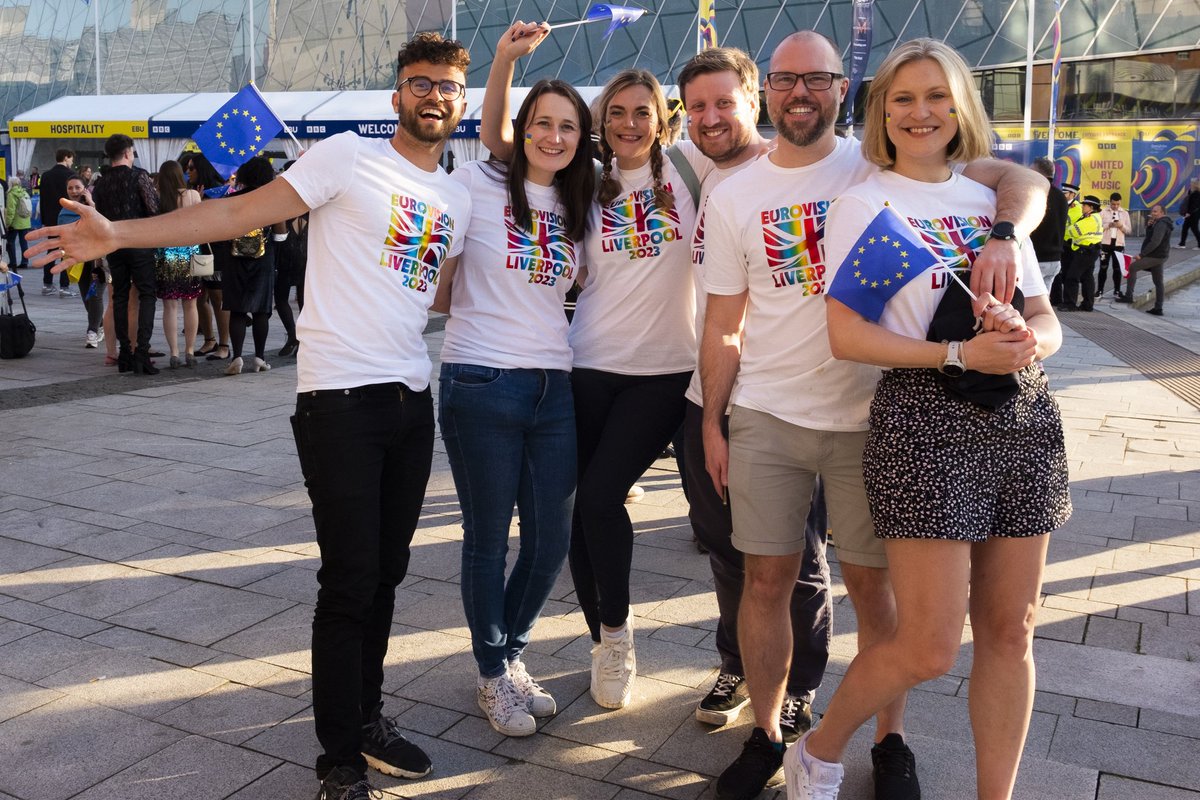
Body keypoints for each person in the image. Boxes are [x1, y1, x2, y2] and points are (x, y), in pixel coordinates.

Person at [27, 32, 473, 800]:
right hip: (338, 400)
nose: (435, 96)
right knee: (350, 579)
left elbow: (439, 293)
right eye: (421, 82)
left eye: (447, 87)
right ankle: (339, 757)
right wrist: (121, 232)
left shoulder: (457, 197)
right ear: (398, 93)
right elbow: (237, 217)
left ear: (461, 102)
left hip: (411, 398)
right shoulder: (345, 156)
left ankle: (369, 720)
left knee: (389, 574)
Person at [700, 31, 1046, 800]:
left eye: (815, 78)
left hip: (896, 420)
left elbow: (1015, 178)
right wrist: (710, 420)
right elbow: (737, 321)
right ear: (770, 91)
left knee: (889, 599)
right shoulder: (768, 196)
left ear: (840, 90)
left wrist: (1006, 231)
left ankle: (889, 743)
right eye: (785, 77)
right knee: (770, 582)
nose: (800, 92)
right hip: (794, 413)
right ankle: (773, 737)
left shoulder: (882, 164)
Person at [793, 38, 1071, 800]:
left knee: (1012, 632)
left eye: (938, 96)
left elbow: (1047, 322)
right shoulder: (870, 205)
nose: (922, 112)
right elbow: (847, 334)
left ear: (961, 107)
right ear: (882, 111)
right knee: (928, 644)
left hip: (1022, 420)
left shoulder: (992, 209)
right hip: (926, 423)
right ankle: (816, 748)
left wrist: (1023, 343)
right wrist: (956, 355)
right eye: (904, 98)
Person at [483, 26, 712, 712]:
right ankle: (605, 638)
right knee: (576, 507)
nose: (629, 122)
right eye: (616, 111)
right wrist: (501, 61)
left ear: (662, 119)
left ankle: (618, 635)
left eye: (642, 110)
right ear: (600, 123)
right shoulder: (584, 178)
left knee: (605, 493)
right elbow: (502, 142)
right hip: (586, 366)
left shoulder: (692, 168)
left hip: (667, 371)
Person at [668, 45, 833, 800]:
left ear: (753, 99)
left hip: (798, 401)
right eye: (696, 106)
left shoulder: (798, 166)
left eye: (723, 103)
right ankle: (737, 665)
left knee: (798, 563)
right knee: (730, 553)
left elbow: (998, 173)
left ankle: (800, 686)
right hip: (712, 396)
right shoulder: (686, 172)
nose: (709, 118)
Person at [435, 60, 594, 736]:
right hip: (480, 382)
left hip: (555, 386)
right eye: (542, 123)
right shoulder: (475, 181)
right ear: (520, 130)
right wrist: (501, 62)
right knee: (487, 540)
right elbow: (435, 269)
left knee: (551, 539)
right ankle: (493, 676)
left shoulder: (581, 202)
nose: (553, 136)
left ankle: (511, 655)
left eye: (567, 127)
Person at [92, 133, 161, 374]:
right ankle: (142, 351)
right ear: (128, 153)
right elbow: (154, 209)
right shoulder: (138, 176)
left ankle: (125, 353)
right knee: (147, 294)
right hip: (139, 242)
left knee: (119, 296)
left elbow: (98, 216)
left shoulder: (100, 182)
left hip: (114, 245)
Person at [221, 157, 287, 375]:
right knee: (261, 311)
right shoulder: (271, 200)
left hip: (235, 259)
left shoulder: (233, 198)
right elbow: (280, 235)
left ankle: (237, 356)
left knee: (238, 310)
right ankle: (259, 357)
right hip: (263, 260)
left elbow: (224, 231)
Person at [153, 160, 203, 368]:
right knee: (191, 303)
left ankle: (174, 352)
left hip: (167, 253)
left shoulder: (159, 198)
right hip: (192, 252)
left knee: (169, 305)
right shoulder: (193, 195)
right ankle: (189, 350)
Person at [187, 153, 232, 361]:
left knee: (217, 297)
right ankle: (209, 339)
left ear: (202, 169)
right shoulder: (195, 191)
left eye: (192, 168)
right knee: (199, 295)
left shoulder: (220, 191)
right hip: (200, 249)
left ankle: (224, 344)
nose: (188, 172)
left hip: (218, 250)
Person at [58, 176, 105, 348]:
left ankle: (92, 331)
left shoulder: (93, 207)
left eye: (77, 187)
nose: (74, 191)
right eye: (70, 188)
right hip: (77, 260)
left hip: (97, 258)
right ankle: (99, 325)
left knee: (95, 295)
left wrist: (91, 204)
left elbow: (102, 225)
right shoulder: (64, 211)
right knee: (87, 297)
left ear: (84, 189)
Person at [274, 159, 306, 358]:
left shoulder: (285, 199)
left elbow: (280, 231)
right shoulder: (311, 197)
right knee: (304, 300)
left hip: (286, 254)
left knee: (281, 297)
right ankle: (301, 339)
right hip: (307, 255)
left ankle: (293, 335)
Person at [1119, 203, 1170, 316]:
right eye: (1152, 211)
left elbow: (1155, 242)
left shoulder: (1162, 224)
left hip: (1156, 256)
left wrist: (1142, 255)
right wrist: (1150, 227)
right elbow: (1150, 237)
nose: (1152, 213)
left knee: (1132, 267)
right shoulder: (1158, 223)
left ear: (1162, 213)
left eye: (1155, 211)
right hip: (1159, 255)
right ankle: (1158, 307)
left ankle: (1129, 296)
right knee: (1158, 281)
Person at [40, 148, 76, 297]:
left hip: (50, 220)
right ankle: (64, 286)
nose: (72, 162)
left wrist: (44, 220)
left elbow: (43, 200)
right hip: (67, 218)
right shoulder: (71, 175)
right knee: (66, 251)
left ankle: (47, 284)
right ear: (66, 157)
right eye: (71, 159)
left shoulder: (46, 176)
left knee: (51, 250)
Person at [1028, 157, 1068, 285]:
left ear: (1037, 173)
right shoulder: (1061, 196)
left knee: (1028, 302)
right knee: (1044, 300)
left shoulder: (1035, 193)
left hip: (1037, 258)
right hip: (1055, 259)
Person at [1060, 194, 1103, 312]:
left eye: (1085, 205)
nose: (1082, 207)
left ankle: (1070, 304)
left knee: (1072, 276)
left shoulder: (1090, 219)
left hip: (1085, 250)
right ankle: (1087, 304)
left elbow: (1073, 231)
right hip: (1091, 250)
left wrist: (1069, 228)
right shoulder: (1094, 217)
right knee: (1087, 277)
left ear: (1091, 207)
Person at [1049, 181, 1080, 306]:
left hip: (1069, 244)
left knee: (1067, 273)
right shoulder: (1061, 203)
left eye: (1065, 193)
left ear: (1073, 194)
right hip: (1059, 241)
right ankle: (1057, 299)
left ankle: (1066, 300)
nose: (1063, 194)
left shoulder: (1077, 208)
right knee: (1057, 273)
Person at [1098, 192, 1131, 299]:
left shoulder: (1125, 213)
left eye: (1117, 204)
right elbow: (1098, 228)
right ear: (1110, 202)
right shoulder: (1103, 212)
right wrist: (1109, 225)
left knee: (1117, 268)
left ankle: (1117, 290)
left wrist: (1120, 225)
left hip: (1118, 244)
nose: (1115, 206)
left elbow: (1129, 230)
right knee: (1103, 267)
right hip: (1105, 244)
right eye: (1113, 204)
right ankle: (1099, 290)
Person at [5, 177, 32, 272]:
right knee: (23, 243)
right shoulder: (24, 193)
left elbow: (11, 211)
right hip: (25, 222)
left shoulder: (11, 194)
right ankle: (25, 262)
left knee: (10, 242)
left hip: (15, 223)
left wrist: (7, 224)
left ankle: (13, 262)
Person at [1177, 178, 1200, 248]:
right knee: (1185, 228)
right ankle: (1182, 244)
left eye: (1191, 183)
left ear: (1195, 184)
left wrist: (1189, 212)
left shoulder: (1197, 193)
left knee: (1194, 229)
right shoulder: (1191, 191)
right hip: (1191, 213)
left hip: (1194, 213)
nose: (1190, 184)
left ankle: (1199, 244)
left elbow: (1195, 204)